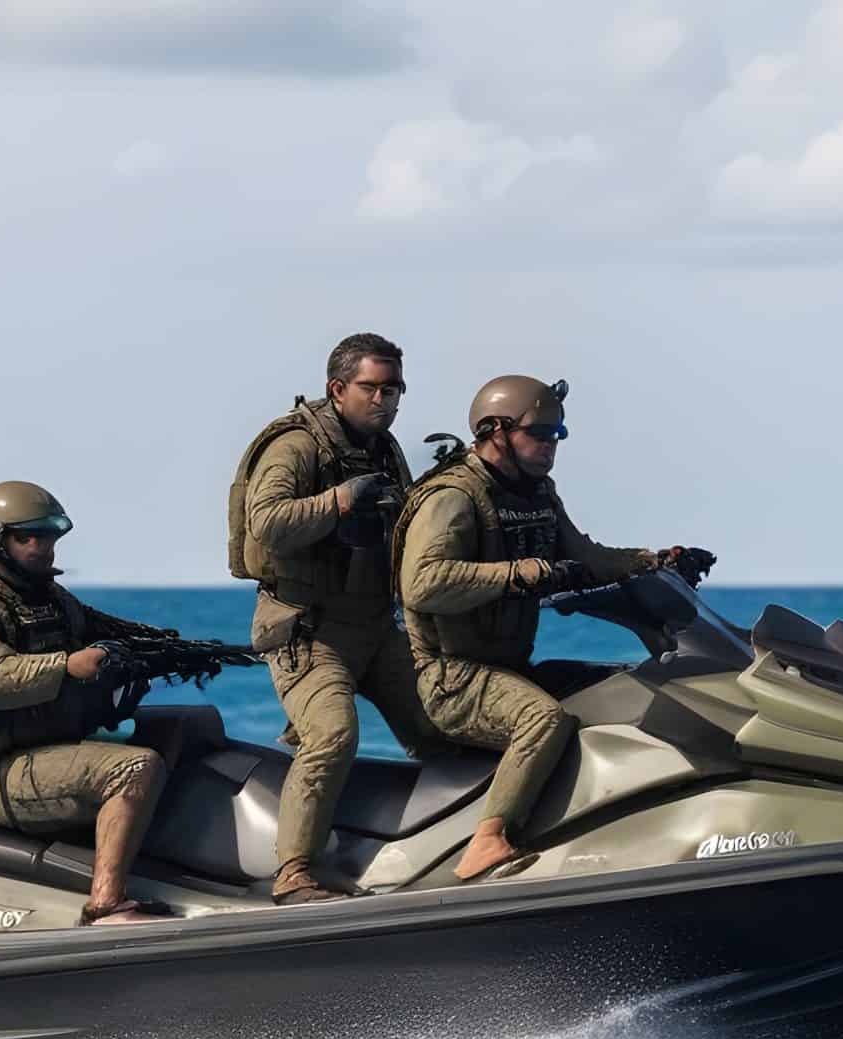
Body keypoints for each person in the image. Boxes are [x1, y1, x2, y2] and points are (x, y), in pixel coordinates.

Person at [393, 375, 712, 880]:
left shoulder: (535, 492)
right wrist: (524, 573)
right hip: (454, 679)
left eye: (557, 435)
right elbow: (423, 584)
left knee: (625, 684)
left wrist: (656, 560)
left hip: (510, 669)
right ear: (495, 431)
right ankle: (487, 840)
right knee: (542, 720)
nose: (550, 446)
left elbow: (585, 557)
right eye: (539, 433)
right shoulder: (453, 497)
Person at [0, 482, 178, 925]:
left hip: (44, 749)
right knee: (136, 767)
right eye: (28, 537)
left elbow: (101, 626)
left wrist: (166, 647)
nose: (44, 547)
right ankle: (106, 904)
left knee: (187, 724)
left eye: (51, 535)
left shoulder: (43, 595)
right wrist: (68, 666)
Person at [235, 332, 439, 904]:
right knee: (332, 735)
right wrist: (342, 500)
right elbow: (267, 521)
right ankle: (293, 873)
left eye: (393, 388)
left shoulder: (383, 447)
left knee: (445, 722)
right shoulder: (298, 446)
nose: (385, 399)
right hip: (307, 627)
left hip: (373, 623)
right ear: (337, 388)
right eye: (371, 387)